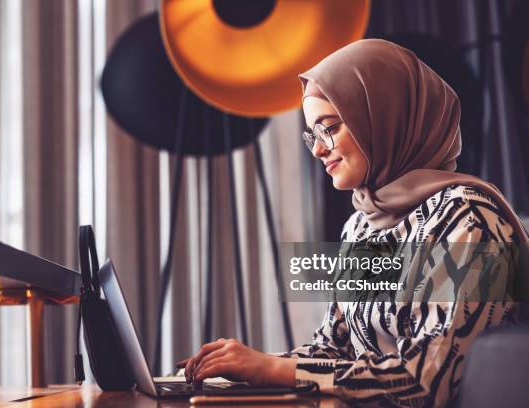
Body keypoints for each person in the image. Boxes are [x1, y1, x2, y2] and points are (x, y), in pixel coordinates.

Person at [177, 39, 529, 406]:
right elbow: (334, 349)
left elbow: (427, 382)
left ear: (383, 117)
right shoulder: (363, 224)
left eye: (328, 127)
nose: (317, 149)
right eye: (312, 133)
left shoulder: (468, 219)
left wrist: (274, 370)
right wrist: (242, 368)